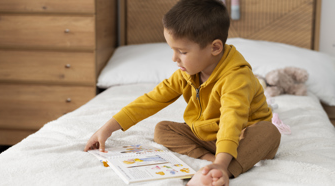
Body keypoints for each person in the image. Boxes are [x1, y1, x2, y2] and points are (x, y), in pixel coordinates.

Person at [84, 0, 281, 185]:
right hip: (208, 136)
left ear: (215, 47)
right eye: (173, 50)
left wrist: (222, 164)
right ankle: (211, 160)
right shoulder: (186, 74)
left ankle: (224, 169)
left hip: (241, 137)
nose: (174, 59)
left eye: (182, 52)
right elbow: (151, 100)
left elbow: (232, 121)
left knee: (269, 131)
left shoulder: (236, 78)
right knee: (162, 129)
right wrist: (108, 128)